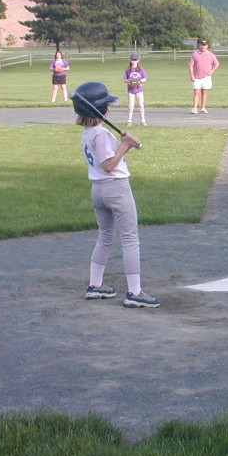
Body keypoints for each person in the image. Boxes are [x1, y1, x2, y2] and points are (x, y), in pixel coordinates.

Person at [70, 81, 160, 308]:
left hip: (99, 190)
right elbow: (109, 165)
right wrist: (125, 145)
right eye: (107, 105)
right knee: (130, 238)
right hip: (116, 188)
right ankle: (135, 292)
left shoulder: (89, 132)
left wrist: (124, 143)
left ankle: (95, 285)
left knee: (106, 236)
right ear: (101, 109)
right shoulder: (100, 134)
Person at [188, 39, 219, 114]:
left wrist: (212, 71)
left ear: (207, 46)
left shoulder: (210, 55)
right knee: (196, 92)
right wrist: (191, 75)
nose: (203, 46)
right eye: (202, 45)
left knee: (204, 92)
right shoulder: (195, 54)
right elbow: (191, 65)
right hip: (196, 77)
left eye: (204, 45)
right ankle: (195, 108)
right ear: (200, 45)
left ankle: (203, 108)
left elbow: (216, 64)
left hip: (206, 77)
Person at [124, 53, 147, 126]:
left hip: (139, 89)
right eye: (132, 60)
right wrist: (129, 81)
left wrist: (139, 81)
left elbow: (144, 79)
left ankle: (143, 121)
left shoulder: (141, 69)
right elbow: (125, 79)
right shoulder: (128, 70)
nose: (134, 61)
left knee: (141, 105)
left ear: (138, 60)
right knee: (131, 105)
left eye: (135, 60)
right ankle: (129, 120)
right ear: (130, 60)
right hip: (131, 90)